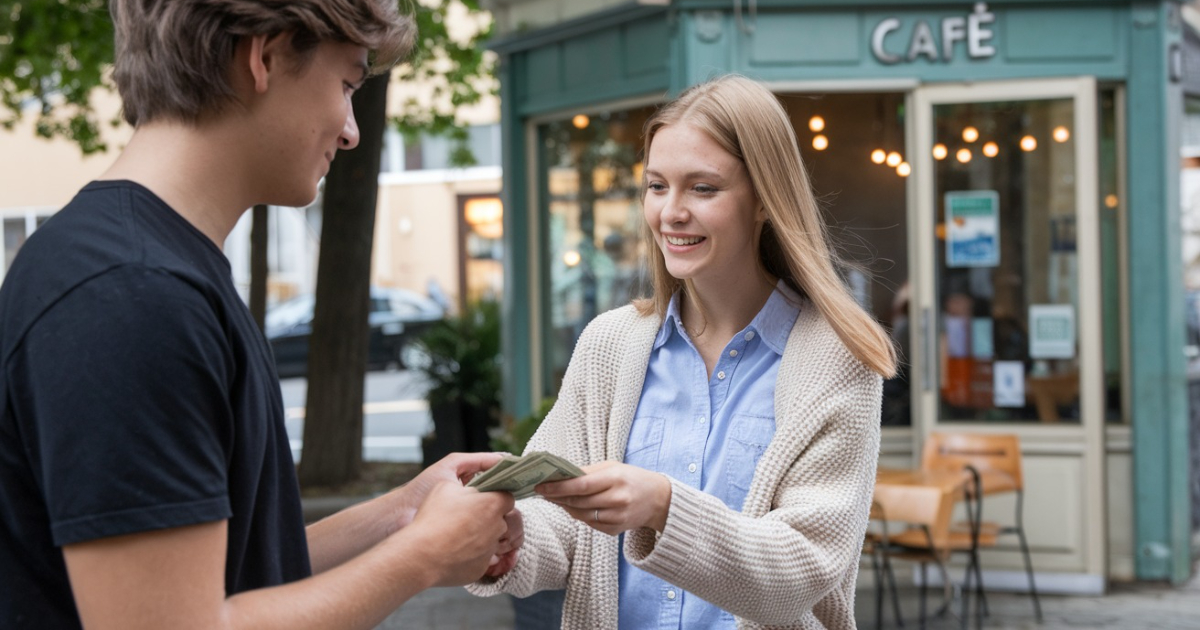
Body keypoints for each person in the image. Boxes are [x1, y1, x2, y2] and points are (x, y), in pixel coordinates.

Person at [0, 2, 518, 629]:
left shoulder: (146, 266)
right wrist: (424, 556)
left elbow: (237, 569)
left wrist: (404, 512)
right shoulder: (133, 295)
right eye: (347, 84)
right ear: (265, 56)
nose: (352, 130)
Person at [468, 75, 897, 629]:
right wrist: (504, 542)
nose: (670, 212)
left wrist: (663, 505)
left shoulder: (837, 359)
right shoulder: (610, 344)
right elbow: (564, 524)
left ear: (765, 199)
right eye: (656, 186)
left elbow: (804, 570)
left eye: (702, 188)